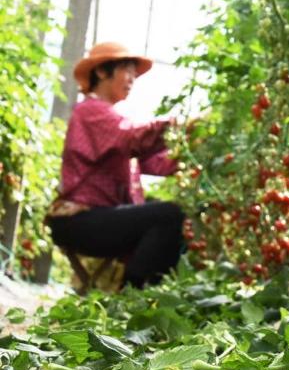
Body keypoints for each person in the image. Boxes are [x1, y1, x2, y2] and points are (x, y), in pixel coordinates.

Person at [47, 42, 185, 289]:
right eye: (127, 70)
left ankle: (148, 293)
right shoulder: (91, 111)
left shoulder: (111, 120)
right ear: (101, 71)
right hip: (79, 220)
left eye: (134, 73)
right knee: (169, 215)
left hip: (99, 217)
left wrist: (196, 153)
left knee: (170, 215)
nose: (132, 79)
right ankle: (133, 293)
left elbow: (155, 162)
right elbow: (132, 138)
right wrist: (179, 125)